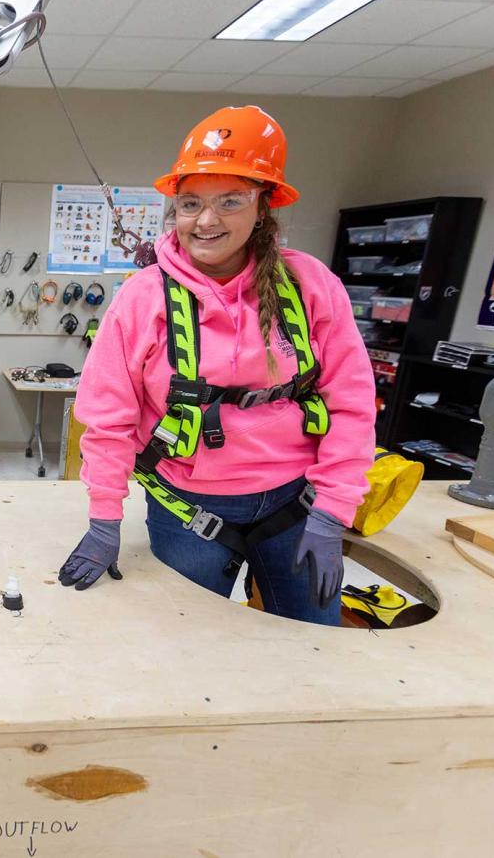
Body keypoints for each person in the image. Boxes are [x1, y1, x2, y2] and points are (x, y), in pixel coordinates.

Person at [59, 106, 375, 625]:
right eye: (191, 204)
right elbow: (108, 419)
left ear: (263, 207)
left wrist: (332, 512)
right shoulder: (143, 299)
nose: (206, 221)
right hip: (187, 509)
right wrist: (104, 520)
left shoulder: (311, 285)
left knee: (314, 648)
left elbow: (353, 404)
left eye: (230, 201)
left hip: (298, 506)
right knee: (188, 648)